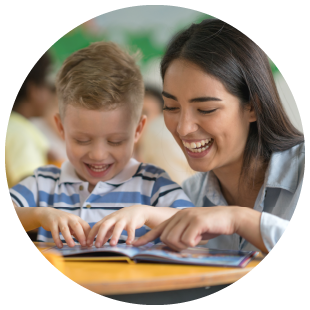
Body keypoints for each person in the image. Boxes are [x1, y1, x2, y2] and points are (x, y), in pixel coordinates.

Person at [133, 19, 305, 254]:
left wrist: (239, 219)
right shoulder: (190, 195)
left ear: (253, 107)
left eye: (206, 109)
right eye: (171, 107)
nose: (183, 128)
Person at [10, 42, 194, 249]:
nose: (98, 155)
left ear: (137, 130)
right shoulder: (43, 183)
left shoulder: (153, 184)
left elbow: (193, 224)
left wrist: (145, 213)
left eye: (115, 141)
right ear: (61, 128)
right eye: (82, 140)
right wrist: (38, 214)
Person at [6, 52, 53, 189]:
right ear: (33, 90)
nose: (50, 94)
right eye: (47, 85)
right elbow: (30, 189)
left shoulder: (11, 126)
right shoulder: (21, 133)